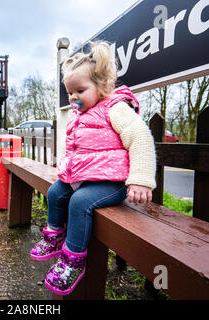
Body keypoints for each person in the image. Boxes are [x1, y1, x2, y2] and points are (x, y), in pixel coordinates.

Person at [30, 41, 156, 296]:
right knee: (56, 192)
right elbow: (79, 150)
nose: (74, 97)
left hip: (112, 182)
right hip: (87, 177)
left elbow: (140, 136)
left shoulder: (115, 108)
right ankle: (54, 236)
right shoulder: (80, 116)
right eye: (70, 93)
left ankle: (73, 259)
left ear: (102, 86)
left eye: (80, 90)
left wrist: (140, 180)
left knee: (79, 202)